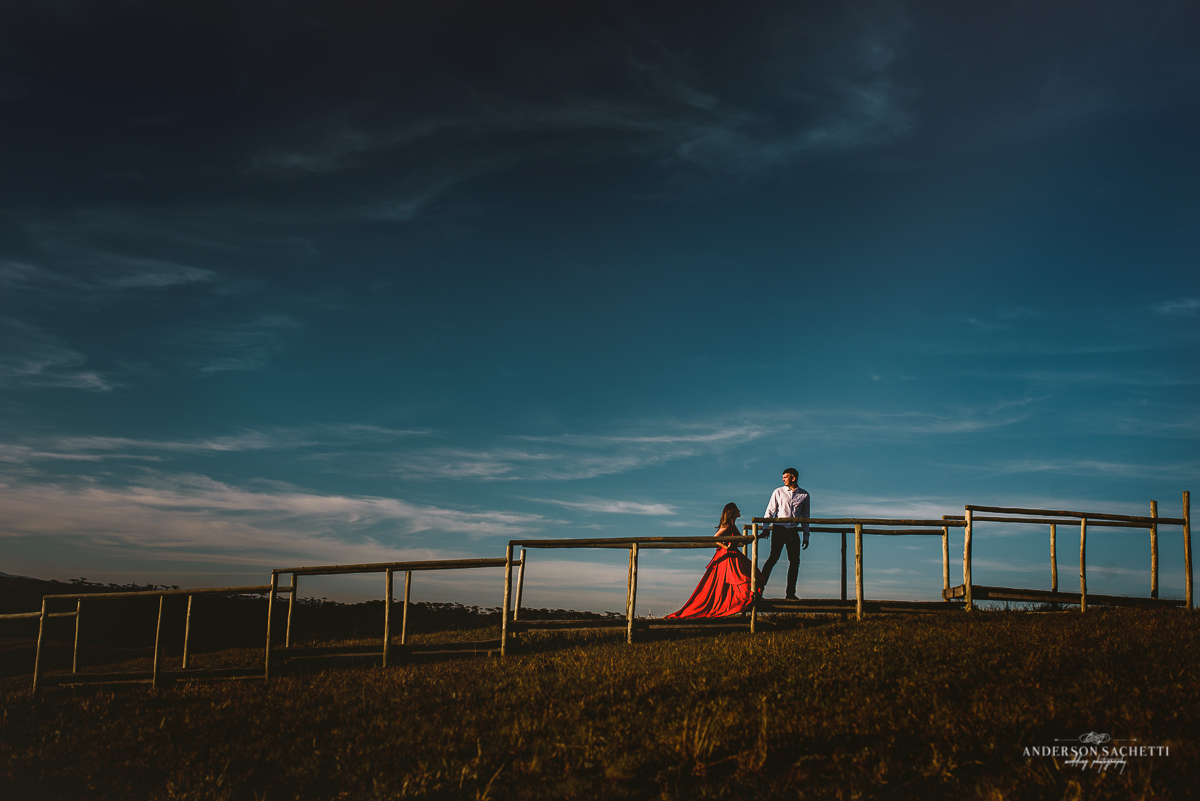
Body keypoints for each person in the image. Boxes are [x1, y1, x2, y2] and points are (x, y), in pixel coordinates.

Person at [665, 503, 759, 618]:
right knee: (740, 578)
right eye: (737, 509)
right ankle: (740, 603)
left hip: (732, 555)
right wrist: (725, 547)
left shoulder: (732, 526)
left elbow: (744, 541)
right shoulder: (728, 526)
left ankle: (741, 602)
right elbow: (716, 537)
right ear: (732, 512)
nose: (739, 510)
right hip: (727, 556)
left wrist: (757, 537)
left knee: (745, 575)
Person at [759, 468, 810, 600]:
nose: (783, 479)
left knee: (794, 562)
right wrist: (765, 527)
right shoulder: (778, 492)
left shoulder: (804, 495)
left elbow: (806, 517)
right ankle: (759, 591)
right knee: (773, 558)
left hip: (793, 530)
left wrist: (806, 535)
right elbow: (770, 511)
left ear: (793, 478)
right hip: (779, 529)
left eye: (785, 477)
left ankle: (790, 594)